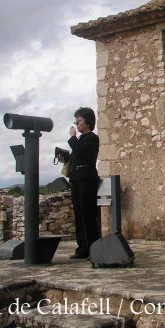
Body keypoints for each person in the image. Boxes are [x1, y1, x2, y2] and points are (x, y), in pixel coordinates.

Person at [67, 107, 100, 259]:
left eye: (79, 121)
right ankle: (82, 248)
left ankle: (93, 248)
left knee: (88, 215)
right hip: (76, 180)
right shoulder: (80, 141)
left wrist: (72, 138)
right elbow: (77, 156)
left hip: (87, 181)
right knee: (79, 216)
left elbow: (81, 153)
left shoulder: (92, 138)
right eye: (77, 121)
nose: (77, 124)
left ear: (87, 122)